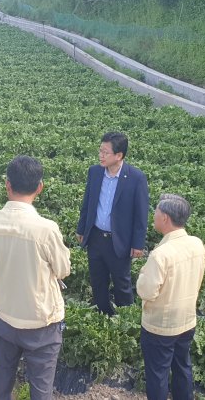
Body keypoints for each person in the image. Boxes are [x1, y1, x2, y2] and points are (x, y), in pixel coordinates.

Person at [0, 155, 71, 400]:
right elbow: (63, 269)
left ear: (7, 185)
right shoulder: (46, 229)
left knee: (1, 381)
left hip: (4, 317)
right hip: (40, 323)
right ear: (39, 187)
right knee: (41, 388)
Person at [136, 194, 205, 400]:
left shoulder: (161, 254)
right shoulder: (196, 244)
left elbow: (147, 291)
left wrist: (141, 275)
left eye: (156, 212)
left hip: (160, 326)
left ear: (165, 218)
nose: (154, 215)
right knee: (182, 366)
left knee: (157, 374)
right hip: (187, 320)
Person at [76, 131, 149, 315]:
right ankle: (104, 314)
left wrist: (137, 244)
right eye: (100, 151)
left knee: (121, 282)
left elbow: (141, 214)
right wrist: (82, 228)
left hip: (119, 240)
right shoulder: (95, 172)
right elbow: (88, 203)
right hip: (96, 236)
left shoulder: (135, 178)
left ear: (119, 156)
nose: (101, 155)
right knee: (98, 281)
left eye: (105, 152)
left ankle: (125, 319)